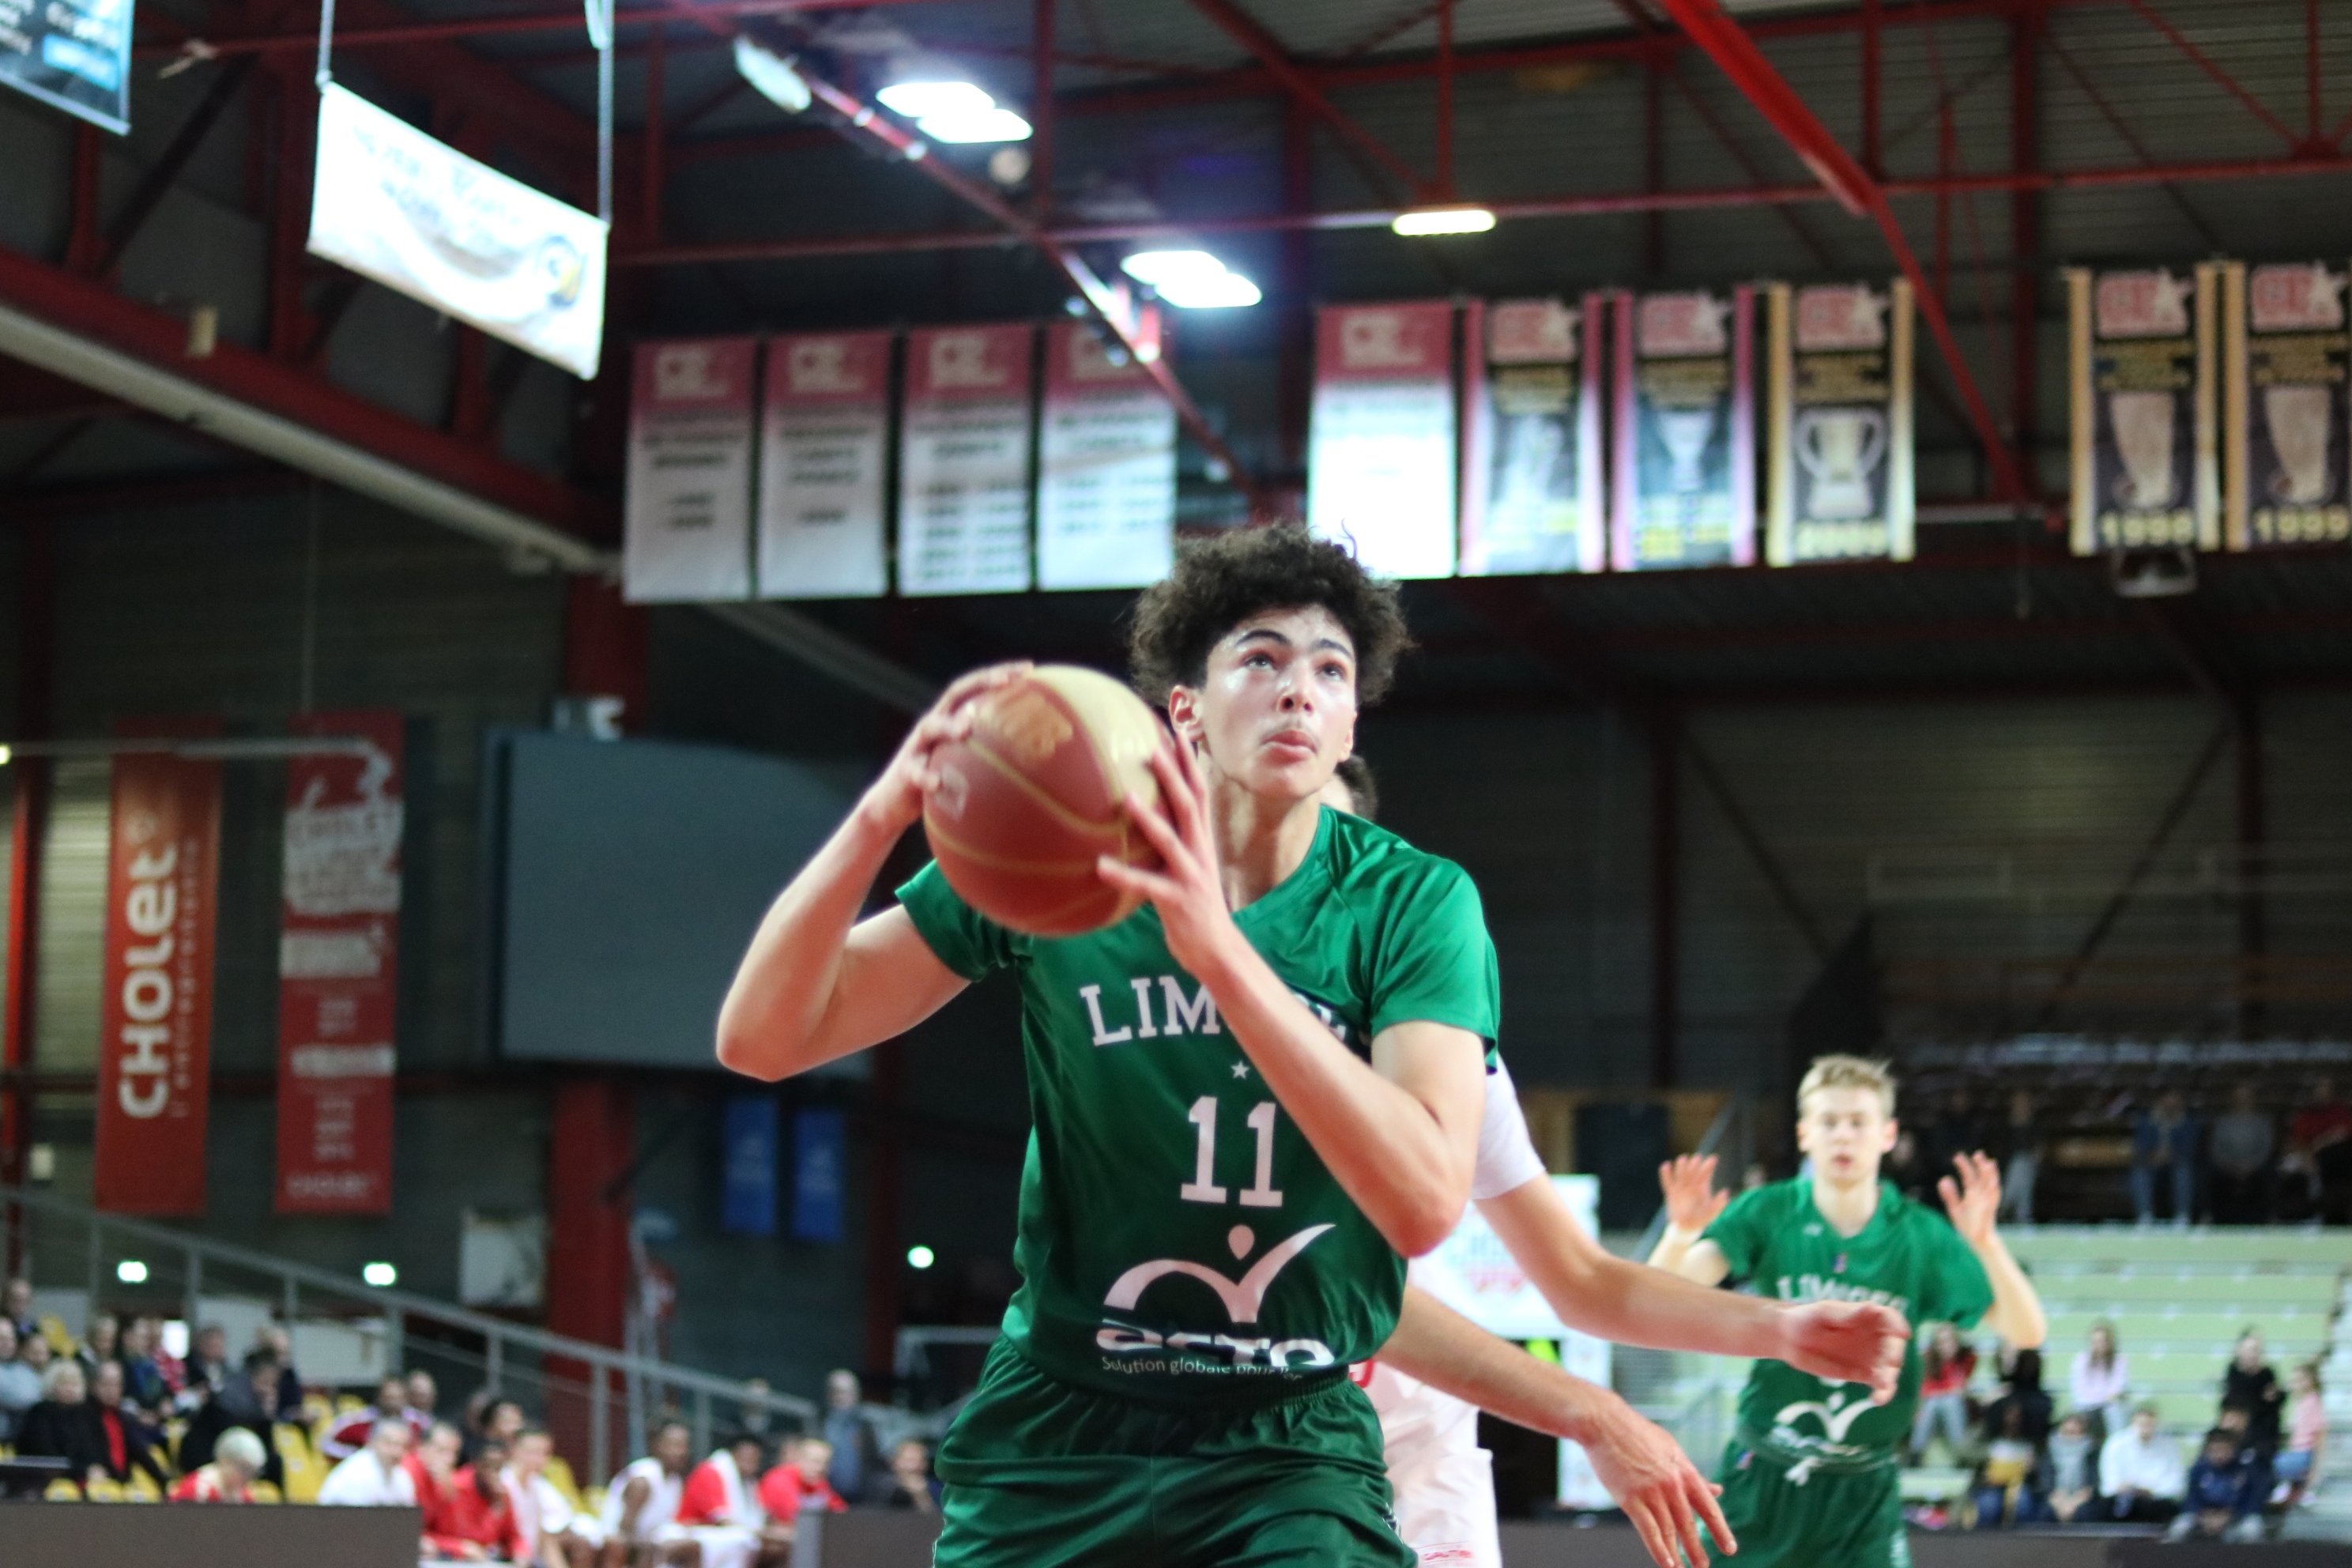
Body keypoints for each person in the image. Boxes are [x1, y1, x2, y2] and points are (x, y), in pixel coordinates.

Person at [717, 524, 1512, 1568]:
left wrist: (1220, 957)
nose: (1298, 690)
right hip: (1064, 1420)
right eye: (1261, 658)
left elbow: (1421, 1202)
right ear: (1184, 709)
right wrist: (883, 812)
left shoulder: (1414, 901)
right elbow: (762, 1040)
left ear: (1352, 715)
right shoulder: (1062, 866)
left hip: (1283, 1436)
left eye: (1330, 669)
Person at [1322, 765, 1905, 1568]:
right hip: (1200, 1430)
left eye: (1331, 848)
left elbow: (1583, 1279)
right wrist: (1587, 1412)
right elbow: (1328, 1295)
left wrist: (1780, 1328)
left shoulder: (1447, 1051)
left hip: (1402, 1432)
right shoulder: (1165, 1031)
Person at [1649, 1054, 2049, 1568]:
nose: (1843, 1136)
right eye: (1829, 1122)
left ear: (1888, 1134)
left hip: (1863, 1489)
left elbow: (2027, 1330)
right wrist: (1680, 1234)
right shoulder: (1768, 1211)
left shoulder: (1920, 1235)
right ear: (1803, 1134)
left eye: (1858, 1123)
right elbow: (1659, 1300)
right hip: (1765, 1471)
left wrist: (1987, 1243)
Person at [597, 1419, 699, 1568]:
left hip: (648, 1541)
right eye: (675, 1446)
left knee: (693, 1546)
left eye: (685, 1446)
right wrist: (653, 1544)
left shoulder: (674, 1480)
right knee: (650, 1548)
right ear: (656, 1447)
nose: (681, 1452)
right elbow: (624, 1531)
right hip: (617, 1542)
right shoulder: (643, 1481)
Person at [179, 1350, 286, 1490]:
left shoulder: (259, 1409)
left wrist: (267, 1418)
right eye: (264, 1382)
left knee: (275, 1464)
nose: (268, 1390)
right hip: (206, 1454)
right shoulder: (226, 1401)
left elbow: (264, 1449)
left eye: (273, 1385)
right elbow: (231, 1441)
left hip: (233, 1458)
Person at [677, 1432, 778, 1568]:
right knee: (743, 1540)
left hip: (717, 1536)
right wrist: (765, 1534)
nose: (752, 1463)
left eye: (755, 1459)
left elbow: (762, 1519)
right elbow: (723, 1521)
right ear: (733, 1454)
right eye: (747, 1457)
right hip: (691, 1532)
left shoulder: (749, 1482)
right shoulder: (712, 1472)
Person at [508, 1426, 603, 1568]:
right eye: (533, 1452)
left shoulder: (538, 1484)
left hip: (533, 1551)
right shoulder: (502, 1484)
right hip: (508, 1551)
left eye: (545, 1453)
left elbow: (561, 1519)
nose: (539, 1458)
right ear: (514, 1450)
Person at [14, 1359, 114, 1493]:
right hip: (48, 1480)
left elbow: (101, 1447)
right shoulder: (40, 1413)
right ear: (52, 1384)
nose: (69, 1388)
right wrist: (81, 1470)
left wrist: (97, 1468)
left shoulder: (88, 1413)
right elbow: (45, 1454)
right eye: (63, 1383)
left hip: (90, 1478)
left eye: (74, 1383)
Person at [432, 1437, 532, 1562]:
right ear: (476, 1465)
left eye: (499, 1468)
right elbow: (425, 1537)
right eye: (489, 1466)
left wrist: (521, 1552)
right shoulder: (452, 1488)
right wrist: (460, 1548)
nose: (494, 1473)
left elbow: (514, 1537)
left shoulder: (502, 1494)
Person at [2166, 1428, 2263, 1542]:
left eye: (2224, 1450)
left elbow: (2252, 1501)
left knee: (2251, 1529)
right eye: (2216, 1450)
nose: (2220, 1455)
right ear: (2208, 1450)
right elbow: (2191, 1499)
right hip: (2203, 1516)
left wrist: (2228, 1516)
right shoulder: (2198, 1470)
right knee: (2180, 1528)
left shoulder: (2246, 1470)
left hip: (2236, 1517)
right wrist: (2203, 1516)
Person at [86, 1359, 169, 1490]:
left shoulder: (124, 1418)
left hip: (121, 1485)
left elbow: (140, 1452)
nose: (111, 1390)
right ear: (92, 1385)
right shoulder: (83, 1416)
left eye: (116, 1385)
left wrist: (164, 1481)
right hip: (95, 1485)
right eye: (106, 1384)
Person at [1969, 1400, 2052, 1528]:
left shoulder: (2032, 1445)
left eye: (2018, 1416)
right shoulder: (1988, 1441)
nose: (2013, 1420)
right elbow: (1964, 1452)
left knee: (2023, 1504)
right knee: (1989, 1505)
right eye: (2009, 1414)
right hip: (1990, 1486)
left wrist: (2033, 1468)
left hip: (2021, 1486)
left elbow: (2040, 1477)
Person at [2099, 1403, 2184, 1523]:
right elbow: (2110, 1482)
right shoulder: (2116, 1444)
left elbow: (2175, 1482)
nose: (2146, 1429)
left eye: (2150, 1424)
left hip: (2156, 1501)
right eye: (2142, 1424)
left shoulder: (2169, 1446)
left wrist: (2152, 1491)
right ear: (2134, 1422)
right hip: (2123, 1499)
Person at [2208, 1084, 2277, 1224]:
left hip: (2256, 1165)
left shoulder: (2263, 1122)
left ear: (2253, 1099)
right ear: (2232, 1099)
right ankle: (2210, 1215)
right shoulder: (2222, 1122)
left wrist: (2251, 1165)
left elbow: (2266, 1148)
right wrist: (2230, 1165)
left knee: (2271, 1173)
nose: (2242, 1100)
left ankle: (2270, 1216)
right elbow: (2216, 1148)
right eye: (2239, 1097)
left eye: (2246, 1097)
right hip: (2226, 1166)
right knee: (2209, 1173)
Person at [2289, 1076, 2352, 1224]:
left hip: (2334, 1163)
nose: (2322, 1095)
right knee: (2296, 1168)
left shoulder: (2340, 1112)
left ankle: (2335, 1215)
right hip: (2308, 1158)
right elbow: (2297, 1141)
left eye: (2326, 1091)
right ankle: (2307, 1216)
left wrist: (2319, 1144)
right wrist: (2308, 1154)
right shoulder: (2305, 1115)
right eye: (2319, 1091)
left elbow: (2342, 1134)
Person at [817, 1369, 886, 1506]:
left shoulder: (866, 1427)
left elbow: (875, 1461)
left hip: (861, 1501)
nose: (843, 1397)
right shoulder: (819, 1422)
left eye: (848, 1392)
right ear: (830, 1394)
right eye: (838, 1391)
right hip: (824, 1499)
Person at [2132, 1091, 2199, 1225]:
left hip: (2176, 1164)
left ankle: (2182, 1216)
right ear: (2160, 1104)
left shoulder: (2187, 1123)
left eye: (2174, 1105)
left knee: (2184, 1173)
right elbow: (2141, 1147)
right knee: (2139, 1174)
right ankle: (2145, 1216)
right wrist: (2154, 1157)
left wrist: (2170, 1157)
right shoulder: (2147, 1122)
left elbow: (2189, 1149)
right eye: (2167, 1105)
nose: (2170, 1108)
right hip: (2152, 1165)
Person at [318, 1418, 420, 1506]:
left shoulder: (402, 1476)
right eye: (389, 1444)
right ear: (371, 1442)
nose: (396, 1452)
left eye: (402, 1446)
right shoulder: (355, 1473)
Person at [1911, 1324, 1974, 1461]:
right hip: (1933, 1414)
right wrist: (1950, 1389)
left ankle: (1961, 1452)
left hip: (1959, 1411)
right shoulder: (1929, 1361)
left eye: (1949, 1341)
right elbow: (1926, 1391)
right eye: (1941, 1342)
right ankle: (1916, 1452)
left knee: (1949, 1402)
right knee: (1934, 1404)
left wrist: (1947, 1390)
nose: (1945, 1346)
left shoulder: (1965, 1360)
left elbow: (1964, 1388)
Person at [760, 1435, 849, 1528]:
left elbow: (842, 1514)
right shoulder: (780, 1480)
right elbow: (794, 1518)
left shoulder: (818, 1483)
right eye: (815, 1462)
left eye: (826, 1463)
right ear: (799, 1459)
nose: (821, 1468)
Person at [2224, 1329, 2285, 1462]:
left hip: (2263, 1440)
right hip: (2237, 1439)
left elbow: (2274, 1405)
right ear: (2239, 1351)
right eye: (2250, 1350)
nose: (2254, 1354)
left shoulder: (2267, 1375)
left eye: (2257, 1350)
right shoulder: (2233, 1374)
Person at [326, 1373, 419, 1460]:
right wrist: (360, 1455)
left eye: (398, 1398)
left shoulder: (417, 1422)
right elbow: (327, 1444)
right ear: (379, 1398)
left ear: (407, 1398)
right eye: (389, 1398)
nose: (393, 1403)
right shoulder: (359, 1420)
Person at [2275, 1363, 2327, 1505]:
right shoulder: (2302, 1402)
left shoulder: (2313, 1402)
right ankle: (2293, 1488)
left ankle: (2294, 1488)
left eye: (2297, 1381)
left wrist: (2315, 1467)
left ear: (2309, 1381)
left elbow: (2320, 1432)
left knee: (2273, 1463)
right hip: (2297, 1450)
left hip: (2304, 1452)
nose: (2293, 1384)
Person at [172, 1426, 266, 1502]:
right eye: (244, 1470)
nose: (248, 1478)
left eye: (253, 1472)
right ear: (226, 1462)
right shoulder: (197, 1492)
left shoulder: (242, 1494)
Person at [2070, 1321, 2129, 1441]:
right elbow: (2079, 1390)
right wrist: (2098, 1400)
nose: (2099, 1345)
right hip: (2086, 1407)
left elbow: (2117, 1390)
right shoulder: (2081, 1361)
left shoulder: (2120, 1361)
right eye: (2096, 1342)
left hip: (2108, 1408)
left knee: (2115, 1411)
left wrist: (2101, 1400)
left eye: (2103, 1341)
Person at [1996, 1091, 2041, 1225]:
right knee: (2018, 1165)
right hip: (2007, 1169)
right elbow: (1999, 1152)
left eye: (2024, 1103)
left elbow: (2039, 1152)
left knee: (2021, 1163)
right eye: (2018, 1103)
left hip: (2030, 1167)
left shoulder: (2036, 1126)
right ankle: (2023, 1214)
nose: (2021, 1106)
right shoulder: (2003, 1127)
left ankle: (2005, 1203)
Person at [2046, 1412, 2098, 1524]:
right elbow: (2046, 1480)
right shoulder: (2050, 1450)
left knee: (2085, 1513)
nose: (2071, 1432)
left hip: (2081, 1498)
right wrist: (2060, 1502)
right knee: (2046, 1513)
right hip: (2057, 1497)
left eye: (2075, 1430)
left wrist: (2074, 1503)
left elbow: (2093, 1482)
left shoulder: (2093, 1451)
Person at [0, 1318, 40, 1443]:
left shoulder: (24, 1369)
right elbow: (20, 1397)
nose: (7, 1343)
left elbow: (36, 1396)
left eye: (10, 1339)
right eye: (2, 1339)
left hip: (24, 1440)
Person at [883, 1438, 941, 1513]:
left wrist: (920, 1495)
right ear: (896, 1462)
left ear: (925, 1464)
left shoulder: (936, 1488)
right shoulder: (884, 1489)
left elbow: (937, 1517)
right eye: (909, 1460)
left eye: (919, 1461)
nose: (914, 1467)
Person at [74, 1311, 121, 1379]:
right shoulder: (77, 1363)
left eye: (111, 1341)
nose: (107, 1346)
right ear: (90, 1338)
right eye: (102, 1340)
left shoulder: (117, 1362)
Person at [3, 1275, 35, 1342]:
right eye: (17, 1300)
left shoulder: (30, 1325)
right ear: (5, 1300)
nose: (21, 1306)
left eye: (25, 1301)